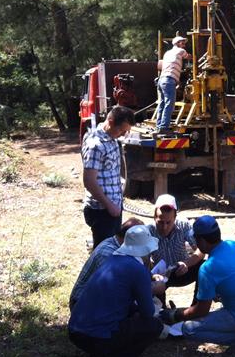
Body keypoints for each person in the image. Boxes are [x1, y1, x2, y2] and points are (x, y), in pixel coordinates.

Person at [159, 215, 235, 356]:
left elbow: (201, 311)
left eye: (196, 239)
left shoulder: (208, 268)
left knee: (189, 329)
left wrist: (176, 315)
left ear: (201, 240)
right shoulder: (234, 244)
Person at [68, 224, 164, 357]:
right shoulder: (137, 269)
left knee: (130, 317)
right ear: (145, 251)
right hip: (95, 336)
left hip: (75, 331)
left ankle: (99, 354)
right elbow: (148, 312)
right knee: (153, 326)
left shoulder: (113, 258)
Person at [81, 105, 135, 248]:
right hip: (102, 210)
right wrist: (109, 205)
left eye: (126, 131)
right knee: (104, 251)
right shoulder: (95, 145)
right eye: (122, 130)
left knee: (114, 248)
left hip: (113, 207)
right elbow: (89, 181)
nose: (123, 134)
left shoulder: (112, 138)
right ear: (110, 122)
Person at [68, 217, 144, 310]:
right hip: (81, 304)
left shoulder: (120, 247)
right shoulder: (108, 254)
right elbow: (113, 291)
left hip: (97, 299)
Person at [148, 194, 203, 304]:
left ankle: (197, 306)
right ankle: (159, 310)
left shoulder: (184, 225)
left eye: (168, 222)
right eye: (160, 222)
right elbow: (142, 261)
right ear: (154, 217)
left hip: (183, 270)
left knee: (205, 267)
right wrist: (152, 275)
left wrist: (186, 263)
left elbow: (201, 250)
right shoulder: (148, 231)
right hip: (161, 275)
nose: (164, 227)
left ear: (175, 218)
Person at [156, 35, 189, 132]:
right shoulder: (180, 51)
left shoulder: (167, 53)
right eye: (182, 43)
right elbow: (190, 57)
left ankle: (159, 126)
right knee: (169, 104)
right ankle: (163, 127)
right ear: (177, 44)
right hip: (169, 80)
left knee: (162, 104)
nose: (184, 45)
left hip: (161, 80)